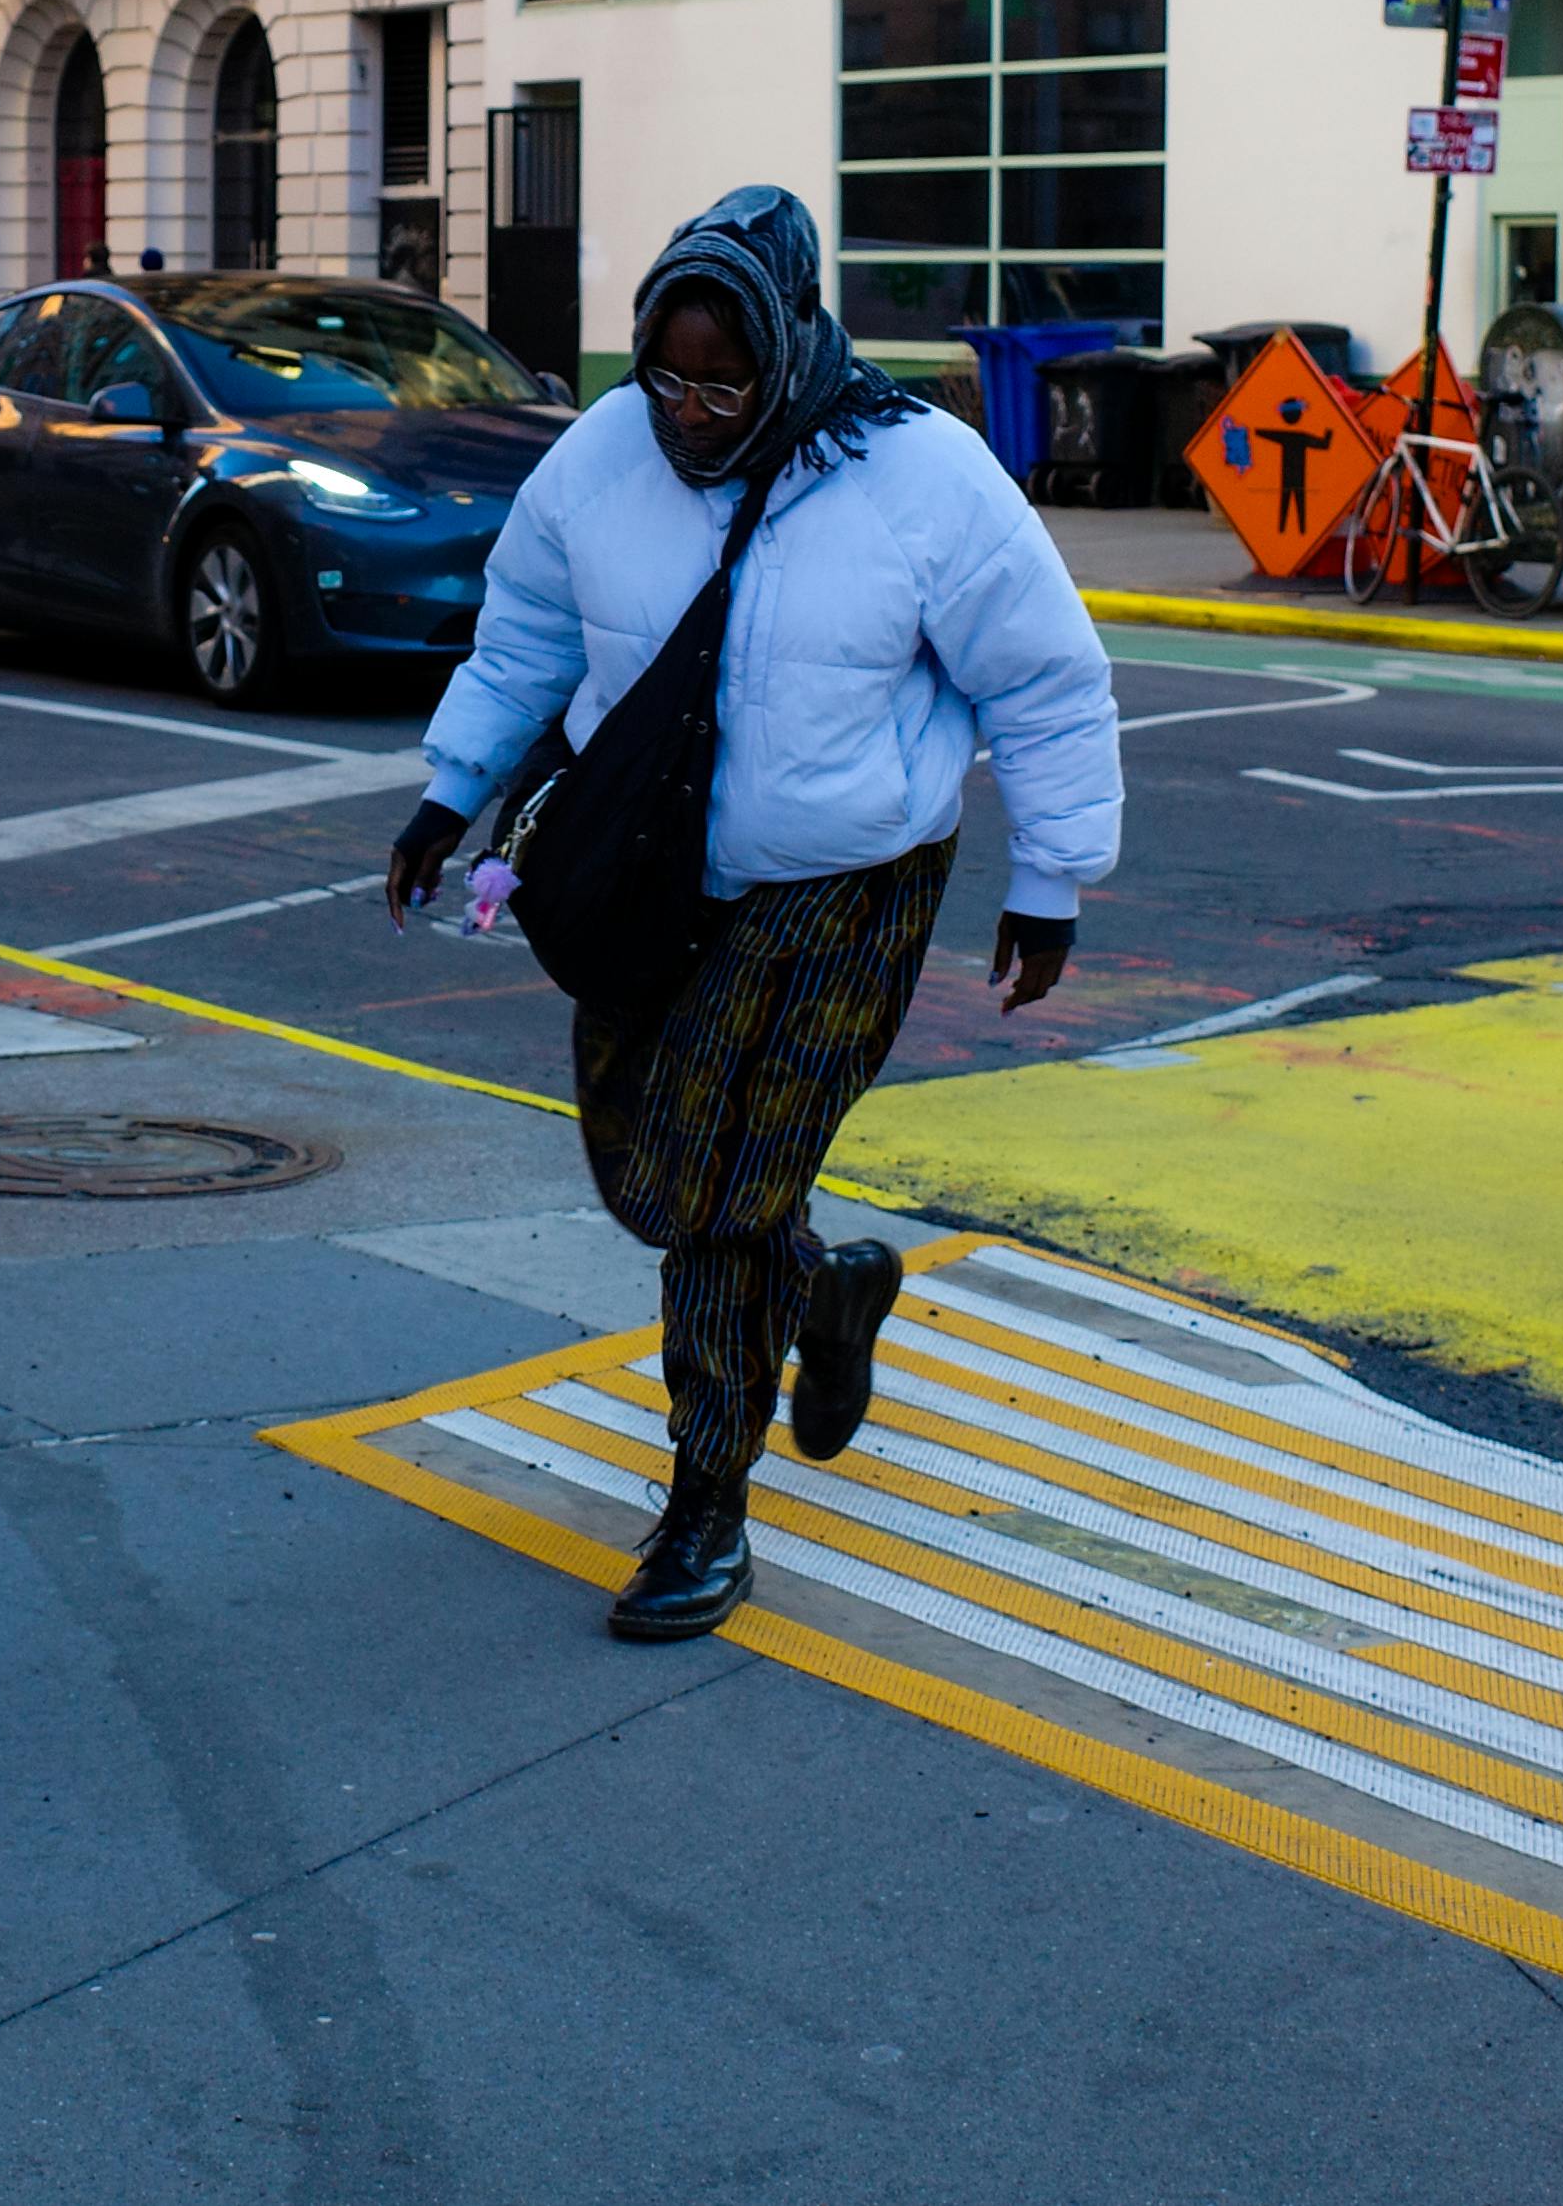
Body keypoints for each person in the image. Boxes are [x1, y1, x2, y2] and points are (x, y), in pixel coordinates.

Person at [381, 188, 1124, 1642]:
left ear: (787, 350)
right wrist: (445, 793)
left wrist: (1050, 879)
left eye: (724, 379)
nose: (691, 411)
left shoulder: (921, 475)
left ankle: (705, 1504)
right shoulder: (603, 456)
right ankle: (830, 1286)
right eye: (667, 372)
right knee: (644, 1170)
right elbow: (527, 630)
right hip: (644, 870)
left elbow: (1043, 678)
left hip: (841, 890)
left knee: (712, 1194)